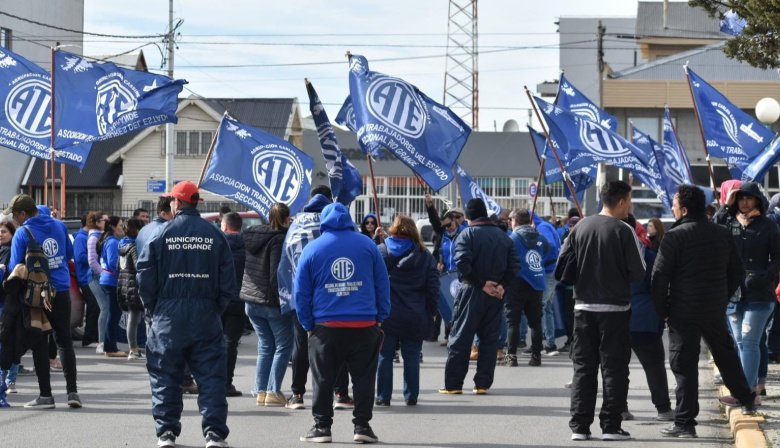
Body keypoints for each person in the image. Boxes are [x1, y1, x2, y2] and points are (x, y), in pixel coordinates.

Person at [137, 181, 236, 448]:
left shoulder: (161, 233)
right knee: (211, 376)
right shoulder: (215, 235)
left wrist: (154, 308)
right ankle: (214, 434)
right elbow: (228, 283)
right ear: (196, 203)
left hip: (168, 314)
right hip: (205, 314)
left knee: (164, 374)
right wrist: (215, 309)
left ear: (176, 203)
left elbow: (144, 276)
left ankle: (166, 432)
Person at [652, 185, 756, 438]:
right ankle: (747, 399)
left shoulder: (674, 237)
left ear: (684, 209)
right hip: (713, 309)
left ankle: (685, 424)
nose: (673, 208)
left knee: (684, 366)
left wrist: (662, 311)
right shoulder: (721, 233)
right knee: (726, 356)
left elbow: (658, 278)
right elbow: (737, 272)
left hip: (682, 312)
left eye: (675, 205)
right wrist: (722, 298)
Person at [295, 202, 390, 443]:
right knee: (364, 379)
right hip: (364, 324)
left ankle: (322, 427)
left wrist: (307, 324)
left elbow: (301, 292)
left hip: (325, 326)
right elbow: (382, 284)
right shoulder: (369, 245)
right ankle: (362, 426)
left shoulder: (313, 248)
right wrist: (380, 318)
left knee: (323, 379)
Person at [557, 180, 645, 441]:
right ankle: (610, 425)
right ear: (620, 202)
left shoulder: (580, 226)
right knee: (614, 369)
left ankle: (580, 427)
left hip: (582, 307)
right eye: (629, 201)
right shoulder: (624, 230)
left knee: (583, 368)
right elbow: (638, 273)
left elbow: (562, 265)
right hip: (616, 309)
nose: (629, 207)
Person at [277, 186, 353, 410]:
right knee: (338, 346)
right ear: (330, 200)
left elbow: (285, 264)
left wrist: (287, 297)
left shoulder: (296, 224)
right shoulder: (336, 223)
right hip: (333, 297)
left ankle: (297, 395)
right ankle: (341, 394)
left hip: (302, 296)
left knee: (301, 346)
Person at [3, 194, 81, 409]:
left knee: (40, 341)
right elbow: (68, 254)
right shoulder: (59, 225)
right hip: (61, 289)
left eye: (14, 215)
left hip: (37, 294)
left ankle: (46, 396)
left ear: (22, 213)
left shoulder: (22, 232)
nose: (14, 219)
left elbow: (14, 266)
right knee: (64, 340)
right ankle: (72, 392)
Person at [440, 198, 519, 395]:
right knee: (490, 339)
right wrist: (502, 285)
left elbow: (463, 264)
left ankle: (454, 385)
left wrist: (482, 283)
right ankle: (482, 384)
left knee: (460, 338)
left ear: (468, 217)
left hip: (472, 290)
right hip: (496, 293)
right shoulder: (505, 237)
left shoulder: (467, 234)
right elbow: (515, 266)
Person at [713, 182, 780, 404]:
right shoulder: (728, 222)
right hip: (732, 294)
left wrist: (763, 277)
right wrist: (725, 206)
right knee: (740, 342)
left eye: (748, 198)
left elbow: (777, 257)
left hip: (759, 295)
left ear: (757, 200)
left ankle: (748, 392)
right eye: (740, 198)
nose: (744, 202)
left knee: (750, 341)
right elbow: (712, 228)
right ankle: (747, 390)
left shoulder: (768, 225)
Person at [376, 215, 438, 406]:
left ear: (393, 229)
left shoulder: (381, 251)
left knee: (384, 356)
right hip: (415, 313)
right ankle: (411, 395)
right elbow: (433, 287)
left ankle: (383, 396)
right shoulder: (424, 255)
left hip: (386, 314)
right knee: (411, 356)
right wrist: (433, 311)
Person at [621, 215, 674, 422]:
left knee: (616, 367)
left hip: (611, 317)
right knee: (654, 365)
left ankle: (620, 408)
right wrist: (663, 313)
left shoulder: (602, 252)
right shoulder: (644, 253)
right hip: (643, 318)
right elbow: (657, 285)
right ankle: (663, 409)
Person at [240, 205, 294, 405]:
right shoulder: (279, 239)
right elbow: (275, 275)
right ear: (287, 218)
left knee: (265, 345)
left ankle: (261, 390)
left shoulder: (253, 235)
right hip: (270, 301)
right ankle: (272, 391)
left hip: (251, 299)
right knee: (283, 345)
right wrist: (283, 300)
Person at [502, 209, 549, 367]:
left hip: (516, 283)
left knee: (513, 321)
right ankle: (536, 356)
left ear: (515, 221)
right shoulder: (541, 237)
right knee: (536, 321)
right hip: (536, 282)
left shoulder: (512, 238)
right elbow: (549, 252)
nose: (509, 222)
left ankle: (512, 356)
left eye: (510, 219)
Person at [221, 212, 247, 398]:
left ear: (225, 226)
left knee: (211, 342)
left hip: (218, 299)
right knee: (231, 343)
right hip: (239, 300)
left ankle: (210, 381)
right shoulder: (248, 246)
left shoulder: (217, 245)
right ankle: (227, 383)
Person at [98, 216, 127, 358]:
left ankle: (110, 346)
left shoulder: (110, 241)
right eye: (120, 225)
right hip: (111, 281)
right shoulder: (113, 242)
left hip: (108, 280)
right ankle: (110, 348)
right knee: (113, 315)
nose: (122, 227)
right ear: (113, 227)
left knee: (113, 314)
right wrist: (126, 267)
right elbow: (113, 262)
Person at [118, 218, 145, 361]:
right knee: (135, 317)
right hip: (134, 283)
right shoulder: (134, 246)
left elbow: (118, 266)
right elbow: (138, 265)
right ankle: (133, 349)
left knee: (132, 317)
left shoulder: (122, 244)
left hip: (124, 282)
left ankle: (133, 348)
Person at [72, 214, 100, 348]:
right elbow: (79, 257)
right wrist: (95, 255)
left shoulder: (88, 237)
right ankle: (88, 339)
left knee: (96, 308)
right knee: (93, 308)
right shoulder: (81, 238)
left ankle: (93, 337)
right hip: (85, 278)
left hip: (89, 277)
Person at [86, 211, 109, 354]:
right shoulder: (94, 238)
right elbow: (92, 261)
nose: (108, 222)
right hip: (95, 278)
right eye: (105, 220)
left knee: (106, 309)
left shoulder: (101, 236)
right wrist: (104, 274)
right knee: (105, 308)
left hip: (99, 276)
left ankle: (106, 340)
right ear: (97, 222)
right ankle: (101, 342)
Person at [0, 221, 15, 401]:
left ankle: (10, 381)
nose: (0, 235)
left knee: (6, 342)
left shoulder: (9, 251)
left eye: (4, 231)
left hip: (6, 302)